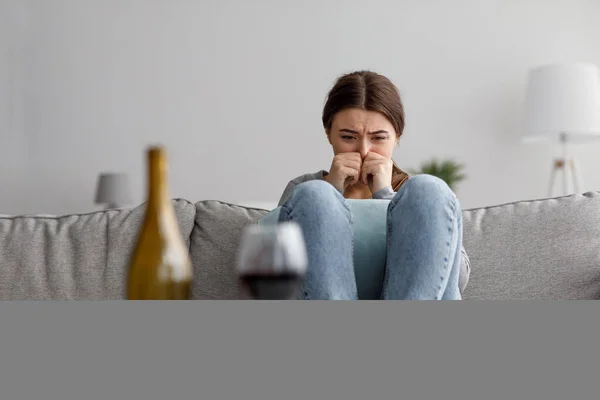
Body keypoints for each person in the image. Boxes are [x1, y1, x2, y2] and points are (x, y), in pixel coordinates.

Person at [276, 70, 471, 300]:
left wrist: (386, 196)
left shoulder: (417, 199)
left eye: (378, 138)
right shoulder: (304, 189)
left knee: (430, 190)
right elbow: (273, 269)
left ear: (397, 136)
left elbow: (455, 279)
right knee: (314, 195)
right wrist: (332, 190)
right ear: (329, 133)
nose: (364, 150)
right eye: (348, 137)